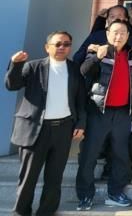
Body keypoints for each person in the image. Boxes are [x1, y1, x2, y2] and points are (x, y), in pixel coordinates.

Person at [5, 32, 86, 216]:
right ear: (47, 47)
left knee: (54, 178)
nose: (62, 47)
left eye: (66, 44)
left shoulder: (75, 69)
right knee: (28, 178)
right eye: (57, 44)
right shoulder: (33, 67)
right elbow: (12, 85)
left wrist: (81, 123)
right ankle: (21, 212)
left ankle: (46, 212)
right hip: (35, 129)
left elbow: (81, 100)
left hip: (63, 129)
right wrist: (16, 64)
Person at [76, 20, 132, 210]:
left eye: (123, 33)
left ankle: (115, 193)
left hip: (123, 113)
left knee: (120, 155)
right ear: (107, 34)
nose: (118, 36)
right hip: (99, 112)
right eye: (115, 32)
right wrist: (96, 57)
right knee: (89, 155)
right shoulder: (98, 52)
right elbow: (83, 71)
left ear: (128, 36)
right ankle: (85, 196)